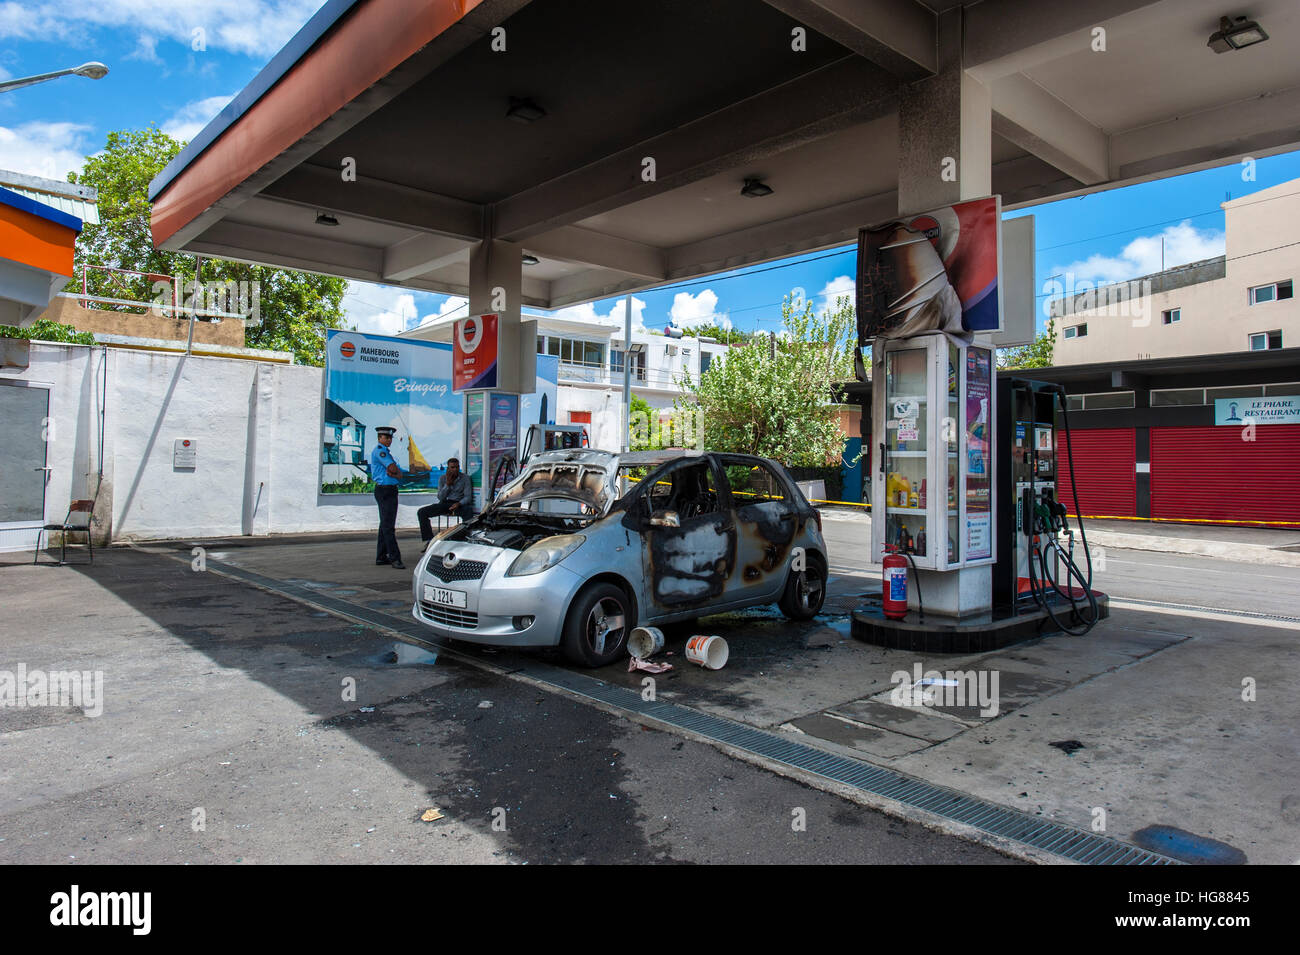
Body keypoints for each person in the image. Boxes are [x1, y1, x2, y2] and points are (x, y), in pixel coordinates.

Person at [370, 426, 407, 569]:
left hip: (388, 490)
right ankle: (395, 557)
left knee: (384, 524)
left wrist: (396, 473)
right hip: (386, 490)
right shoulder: (380, 451)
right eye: (386, 437)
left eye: (390, 437)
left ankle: (381, 556)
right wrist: (398, 474)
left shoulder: (385, 451)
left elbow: (393, 470)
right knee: (388, 526)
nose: (389, 440)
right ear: (380, 438)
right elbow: (392, 468)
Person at [418, 457, 473, 543]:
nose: (455, 469)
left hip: (458, 503)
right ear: (448, 468)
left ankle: (465, 538)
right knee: (422, 512)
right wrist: (447, 485)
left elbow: (468, 497)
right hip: (444, 503)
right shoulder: (442, 478)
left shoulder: (465, 478)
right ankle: (429, 539)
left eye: (457, 467)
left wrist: (459, 503)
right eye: (452, 467)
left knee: (468, 511)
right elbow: (440, 497)